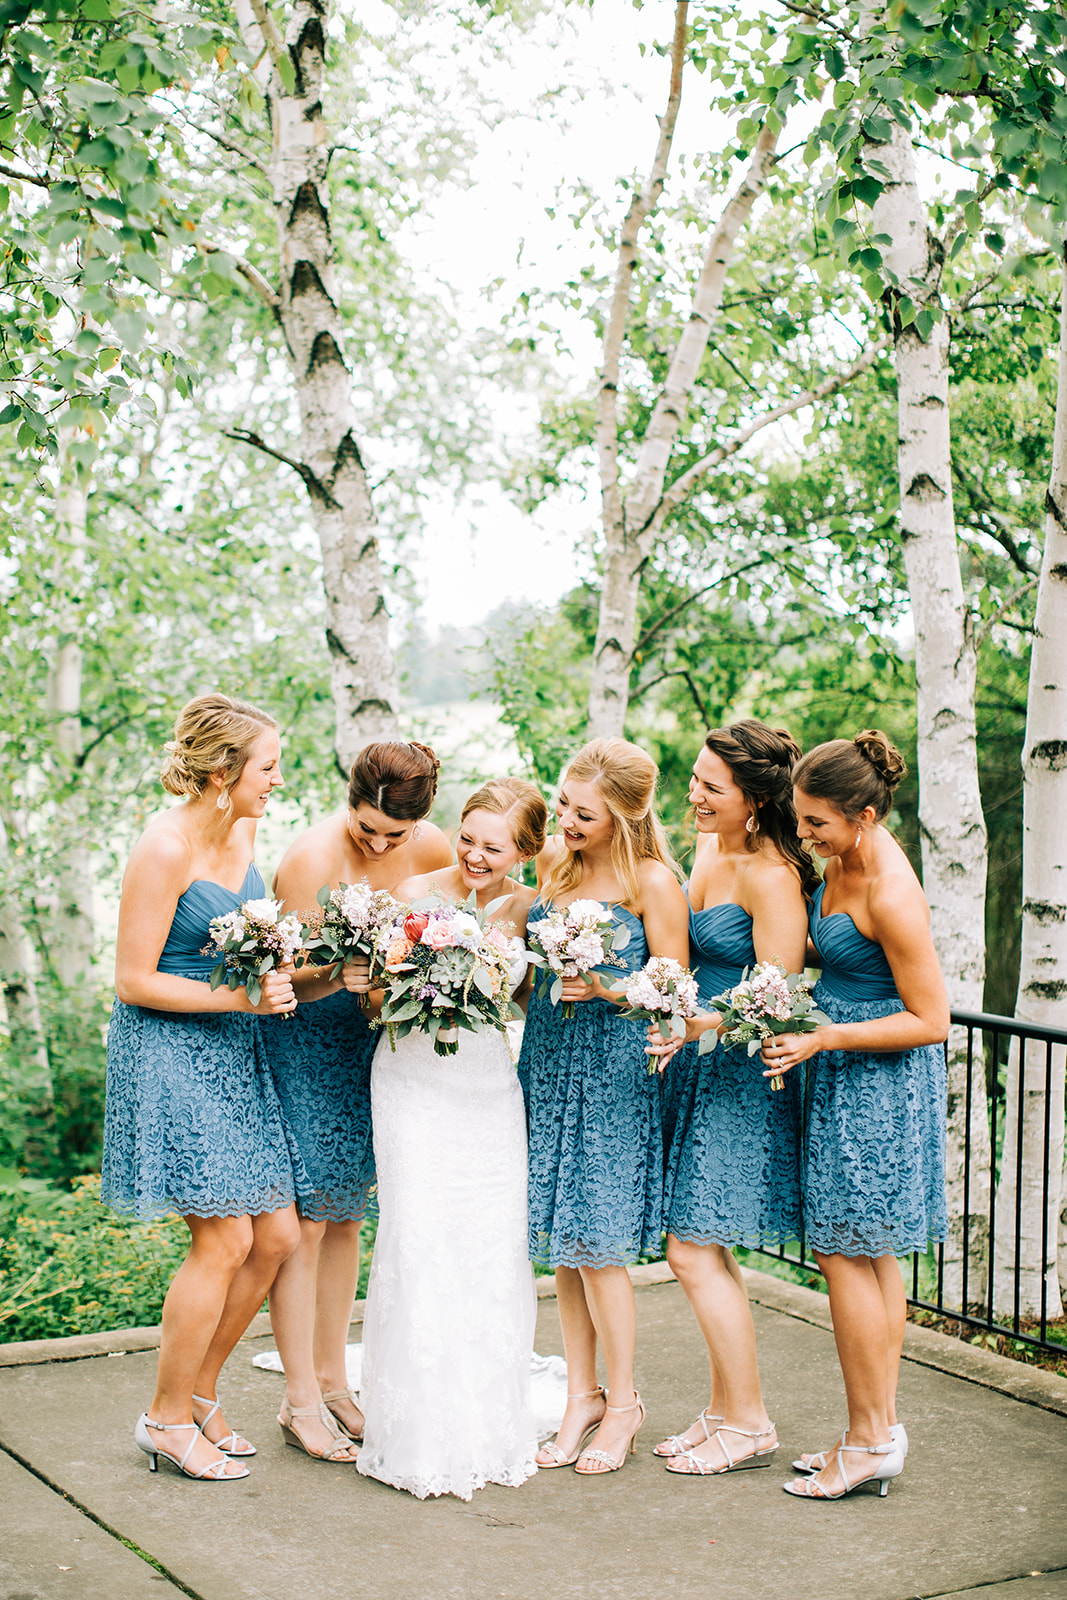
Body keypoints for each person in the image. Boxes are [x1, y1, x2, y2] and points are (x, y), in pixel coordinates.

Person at [101, 693, 301, 1481]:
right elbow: (132, 979)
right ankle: (163, 1417)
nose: (276, 780)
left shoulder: (243, 828)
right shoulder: (164, 846)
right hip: (171, 1050)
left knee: (276, 1237)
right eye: (268, 767)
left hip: (234, 1047)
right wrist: (241, 996)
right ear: (224, 773)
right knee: (224, 1239)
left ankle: (201, 1393)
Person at [767, 730, 949, 1501]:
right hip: (839, 1071)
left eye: (816, 824)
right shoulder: (845, 862)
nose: (804, 835)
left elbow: (932, 1019)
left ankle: (871, 1438)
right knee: (870, 1259)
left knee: (846, 1256)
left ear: (864, 815)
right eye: (800, 820)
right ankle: (873, 1430)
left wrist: (826, 1035)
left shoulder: (890, 893)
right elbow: (828, 954)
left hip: (877, 1086)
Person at [356, 778, 548, 1500]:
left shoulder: (535, 911)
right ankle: (413, 1431)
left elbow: (527, 999)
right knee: (418, 1235)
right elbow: (373, 999)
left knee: (487, 1240)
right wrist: (409, 980)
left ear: (523, 852)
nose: (471, 854)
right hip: (410, 1079)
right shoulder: (409, 896)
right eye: (466, 837)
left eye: (491, 847)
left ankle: (486, 1422)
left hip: (484, 1087)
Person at [262, 741, 451, 1462]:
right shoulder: (313, 859)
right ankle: (299, 1397)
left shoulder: (432, 845)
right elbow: (280, 984)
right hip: (309, 1043)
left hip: (379, 1045)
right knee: (309, 1222)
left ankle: (337, 1382)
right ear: (349, 798)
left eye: (391, 836)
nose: (375, 842)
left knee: (346, 1218)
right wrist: (331, 975)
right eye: (364, 825)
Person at [648, 721, 815, 1476]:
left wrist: (695, 1022)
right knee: (704, 1245)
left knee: (688, 1247)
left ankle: (748, 1423)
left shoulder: (773, 876)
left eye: (710, 788)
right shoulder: (711, 849)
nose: (693, 794)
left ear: (752, 801)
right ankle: (721, 1410)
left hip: (739, 1076)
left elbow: (775, 998)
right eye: (694, 778)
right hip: (694, 1066)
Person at [520, 738, 690, 1475]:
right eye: (562, 804)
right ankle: (578, 1395)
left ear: (623, 813)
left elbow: (675, 992)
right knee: (562, 1242)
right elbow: (532, 979)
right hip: (547, 1060)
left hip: (614, 1070)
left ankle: (622, 1404)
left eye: (582, 813)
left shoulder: (650, 880)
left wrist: (612, 987)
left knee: (599, 1245)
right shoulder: (554, 870)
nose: (565, 820)